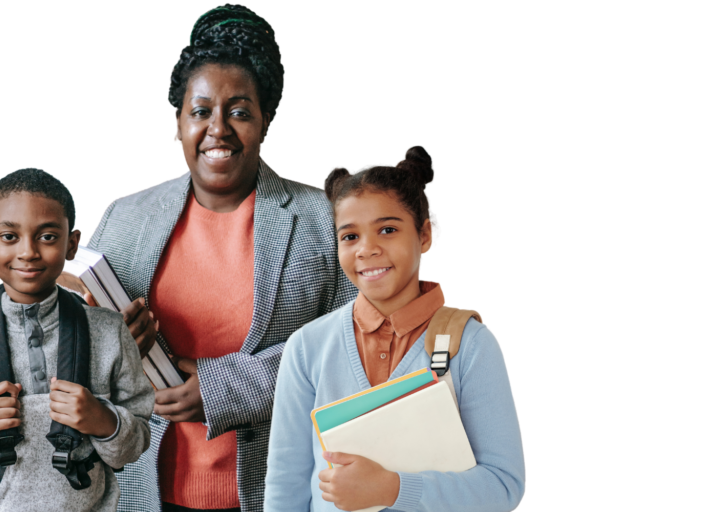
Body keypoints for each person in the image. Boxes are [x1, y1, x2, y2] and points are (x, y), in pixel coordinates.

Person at [77, 4, 358, 511]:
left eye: (240, 112)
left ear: (265, 124)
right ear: (177, 126)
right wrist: (105, 338)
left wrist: (223, 388)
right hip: (143, 492)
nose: (219, 129)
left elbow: (360, 344)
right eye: (201, 111)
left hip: (282, 490)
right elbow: (75, 352)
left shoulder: (323, 219)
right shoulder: (124, 217)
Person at [263, 146, 526, 511]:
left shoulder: (472, 345)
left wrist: (394, 489)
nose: (367, 249)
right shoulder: (307, 347)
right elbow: (285, 488)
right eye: (349, 236)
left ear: (425, 236)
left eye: (387, 229)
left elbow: (503, 486)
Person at [0, 167, 155, 511]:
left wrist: (103, 420)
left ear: (72, 244)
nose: (28, 252)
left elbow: (137, 440)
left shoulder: (110, 332)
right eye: (10, 236)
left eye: (48, 237)